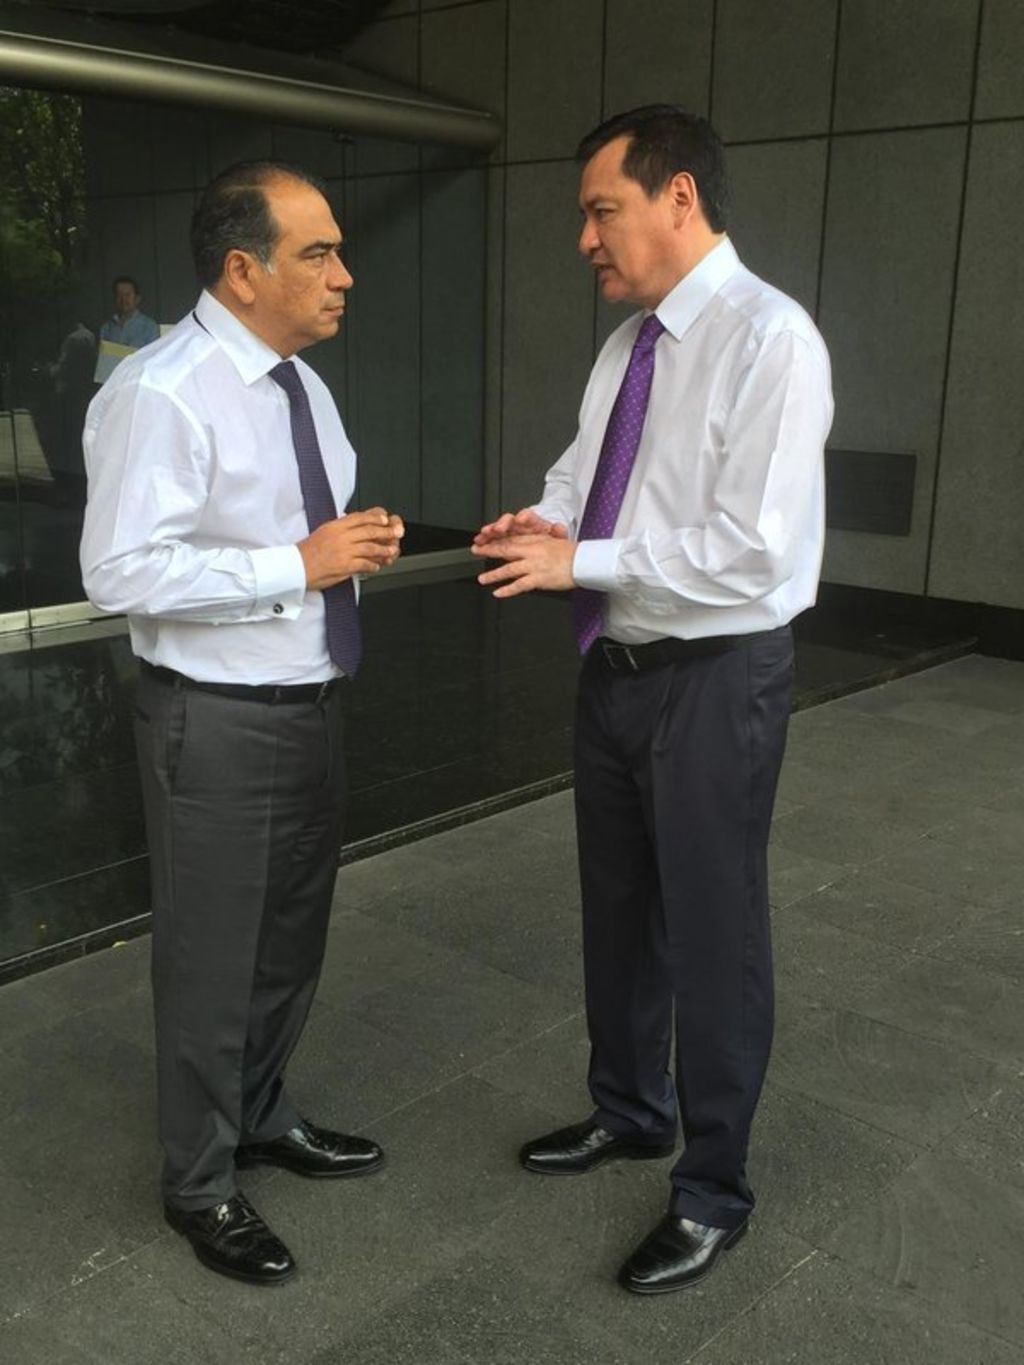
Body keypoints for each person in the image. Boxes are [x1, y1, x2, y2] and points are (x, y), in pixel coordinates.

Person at [472, 106, 832, 1296]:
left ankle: (713, 1189)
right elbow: (589, 474)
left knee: (715, 935)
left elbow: (751, 548)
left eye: (600, 210)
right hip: (617, 672)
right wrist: (545, 520)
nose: (585, 237)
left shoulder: (769, 339)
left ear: (678, 196)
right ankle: (630, 1110)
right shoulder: (627, 347)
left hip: (716, 678)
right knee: (619, 913)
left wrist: (579, 561)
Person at [80, 161, 405, 1286]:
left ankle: (260, 1112)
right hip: (214, 719)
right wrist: (295, 564)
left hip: (310, 698)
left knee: (288, 941)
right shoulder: (161, 391)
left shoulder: (301, 386)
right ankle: (199, 1182)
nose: (344, 275)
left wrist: (345, 546)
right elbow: (120, 569)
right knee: (212, 960)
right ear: (242, 269)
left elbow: (293, 533)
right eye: (318, 253)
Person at [99, 276, 161, 350]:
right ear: (114, 299)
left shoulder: (150, 327)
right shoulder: (106, 328)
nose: (123, 299)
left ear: (137, 299)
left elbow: (155, 354)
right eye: (119, 295)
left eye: (127, 295)